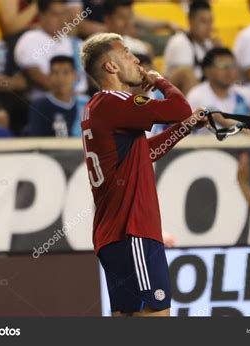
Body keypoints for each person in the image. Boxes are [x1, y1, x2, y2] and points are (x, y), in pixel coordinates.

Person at [80, 33, 207, 316]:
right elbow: (178, 107)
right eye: (127, 54)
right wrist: (159, 79)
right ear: (111, 67)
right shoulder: (116, 101)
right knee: (156, 317)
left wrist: (187, 126)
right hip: (133, 229)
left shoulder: (99, 107)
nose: (136, 60)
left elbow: (143, 154)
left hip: (115, 235)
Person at [14, 0, 73, 100]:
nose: (61, 19)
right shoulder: (30, 38)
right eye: (55, 14)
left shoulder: (71, 41)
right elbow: (38, 78)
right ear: (42, 16)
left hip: (79, 100)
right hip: (46, 102)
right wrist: (71, 94)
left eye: (64, 14)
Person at [164, 0, 217, 94]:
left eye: (210, 21)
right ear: (190, 21)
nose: (209, 27)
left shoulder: (210, 44)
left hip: (202, 91)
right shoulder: (180, 42)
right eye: (203, 21)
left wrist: (218, 52)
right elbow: (185, 79)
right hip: (173, 95)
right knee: (187, 74)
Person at [27, 55, 88, 137]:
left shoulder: (85, 103)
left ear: (75, 76)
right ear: (49, 76)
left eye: (66, 73)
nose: (60, 78)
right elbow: (38, 139)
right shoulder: (40, 105)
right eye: (55, 73)